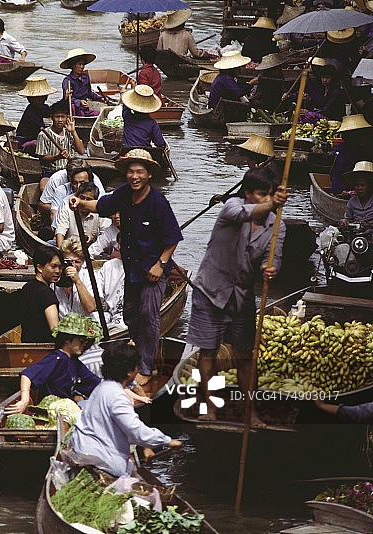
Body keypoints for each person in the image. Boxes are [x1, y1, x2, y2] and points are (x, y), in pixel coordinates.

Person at [70, 149, 183, 385]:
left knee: (148, 315)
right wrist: (80, 202)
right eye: (131, 172)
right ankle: (140, 352)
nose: (134, 176)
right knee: (131, 315)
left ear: (149, 174)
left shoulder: (157, 202)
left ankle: (147, 367)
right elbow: (101, 205)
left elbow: (172, 238)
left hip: (153, 269)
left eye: (139, 172)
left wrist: (161, 265)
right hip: (132, 267)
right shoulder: (123, 195)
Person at [187, 167, 286, 427]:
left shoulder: (277, 225)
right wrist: (271, 204)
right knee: (207, 352)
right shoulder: (232, 206)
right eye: (261, 195)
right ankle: (209, 405)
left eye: (270, 195)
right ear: (248, 193)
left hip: (241, 295)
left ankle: (249, 412)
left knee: (245, 354)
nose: (266, 200)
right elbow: (243, 214)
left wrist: (270, 268)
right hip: (211, 290)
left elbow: (273, 256)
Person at [66, 342, 181, 477]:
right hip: (100, 460)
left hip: (85, 450)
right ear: (129, 371)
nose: (138, 370)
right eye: (137, 366)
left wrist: (146, 446)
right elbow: (136, 431)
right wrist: (167, 441)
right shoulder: (117, 396)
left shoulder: (102, 388)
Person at [5, 313, 103, 415]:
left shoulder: (74, 362)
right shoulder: (56, 359)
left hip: (67, 408)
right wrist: (24, 400)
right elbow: (27, 375)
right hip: (52, 410)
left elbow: (95, 382)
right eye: (81, 341)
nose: (83, 345)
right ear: (67, 341)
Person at [16, 245, 63, 342]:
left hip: (27, 345)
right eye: (53, 266)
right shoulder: (46, 293)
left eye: (60, 267)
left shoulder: (27, 287)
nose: (58, 271)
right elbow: (55, 330)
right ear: (40, 268)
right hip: (44, 349)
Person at [38, 159, 106, 225]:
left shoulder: (95, 181)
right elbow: (45, 207)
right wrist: (65, 210)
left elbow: (102, 205)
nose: (78, 186)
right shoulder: (58, 181)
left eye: (82, 182)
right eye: (74, 182)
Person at [36, 100, 86, 175]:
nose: (60, 120)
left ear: (67, 118)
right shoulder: (43, 134)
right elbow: (42, 159)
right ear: (52, 117)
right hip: (50, 172)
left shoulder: (69, 132)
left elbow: (81, 151)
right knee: (43, 186)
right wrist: (58, 157)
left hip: (69, 171)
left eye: (63, 117)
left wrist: (73, 131)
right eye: (57, 117)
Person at [55, 183, 110, 248]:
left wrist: (92, 237)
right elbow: (60, 232)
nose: (84, 202)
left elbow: (106, 236)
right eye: (82, 198)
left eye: (88, 199)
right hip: (69, 248)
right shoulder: (67, 208)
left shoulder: (100, 211)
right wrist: (62, 253)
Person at [54, 237, 98, 319]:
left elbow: (91, 307)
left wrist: (77, 281)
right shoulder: (55, 276)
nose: (73, 265)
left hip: (84, 326)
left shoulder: (90, 276)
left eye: (77, 262)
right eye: (68, 261)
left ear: (83, 262)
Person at [331, 114, 373, 193]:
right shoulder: (342, 152)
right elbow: (339, 175)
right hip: (345, 189)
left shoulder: (364, 149)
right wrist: (346, 191)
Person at [14, 77, 56, 153]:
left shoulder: (44, 107)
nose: (41, 100)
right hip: (25, 140)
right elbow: (42, 127)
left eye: (42, 97)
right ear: (30, 99)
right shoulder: (30, 111)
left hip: (37, 137)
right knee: (36, 144)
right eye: (37, 98)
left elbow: (54, 111)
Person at [60, 48, 104, 117]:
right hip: (73, 109)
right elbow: (68, 98)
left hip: (84, 108)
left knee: (100, 114)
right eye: (79, 64)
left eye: (83, 64)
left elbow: (89, 93)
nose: (82, 67)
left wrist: (100, 98)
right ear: (73, 66)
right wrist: (79, 102)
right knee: (74, 107)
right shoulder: (67, 80)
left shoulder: (86, 77)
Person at [121, 84, 166, 149]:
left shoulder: (128, 117)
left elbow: (126, 106)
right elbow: (160, 143)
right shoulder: (152, 123)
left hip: (127, 150)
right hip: (145, 151)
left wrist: (125, 93)